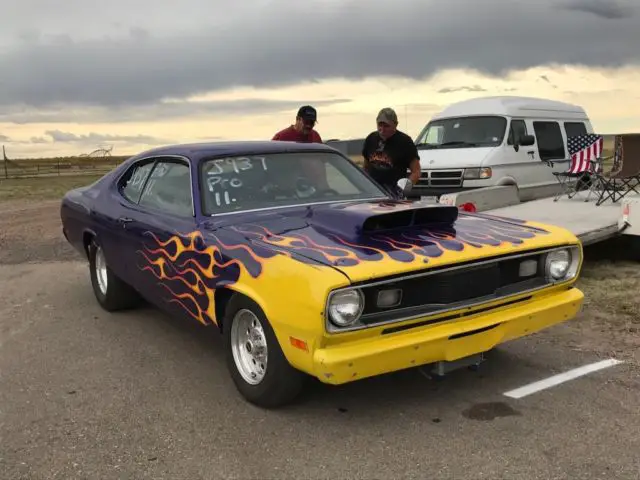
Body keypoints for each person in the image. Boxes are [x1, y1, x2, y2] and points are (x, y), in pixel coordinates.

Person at [361, 107, 421, 198]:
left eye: (386, 126)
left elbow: (416, 172)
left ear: (395, 124)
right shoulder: (371, 139)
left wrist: (403, 190)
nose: (382, 129)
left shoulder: (405, 142)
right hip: (374, 193)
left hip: (394, 194)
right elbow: (365, 167)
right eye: (379, 125)